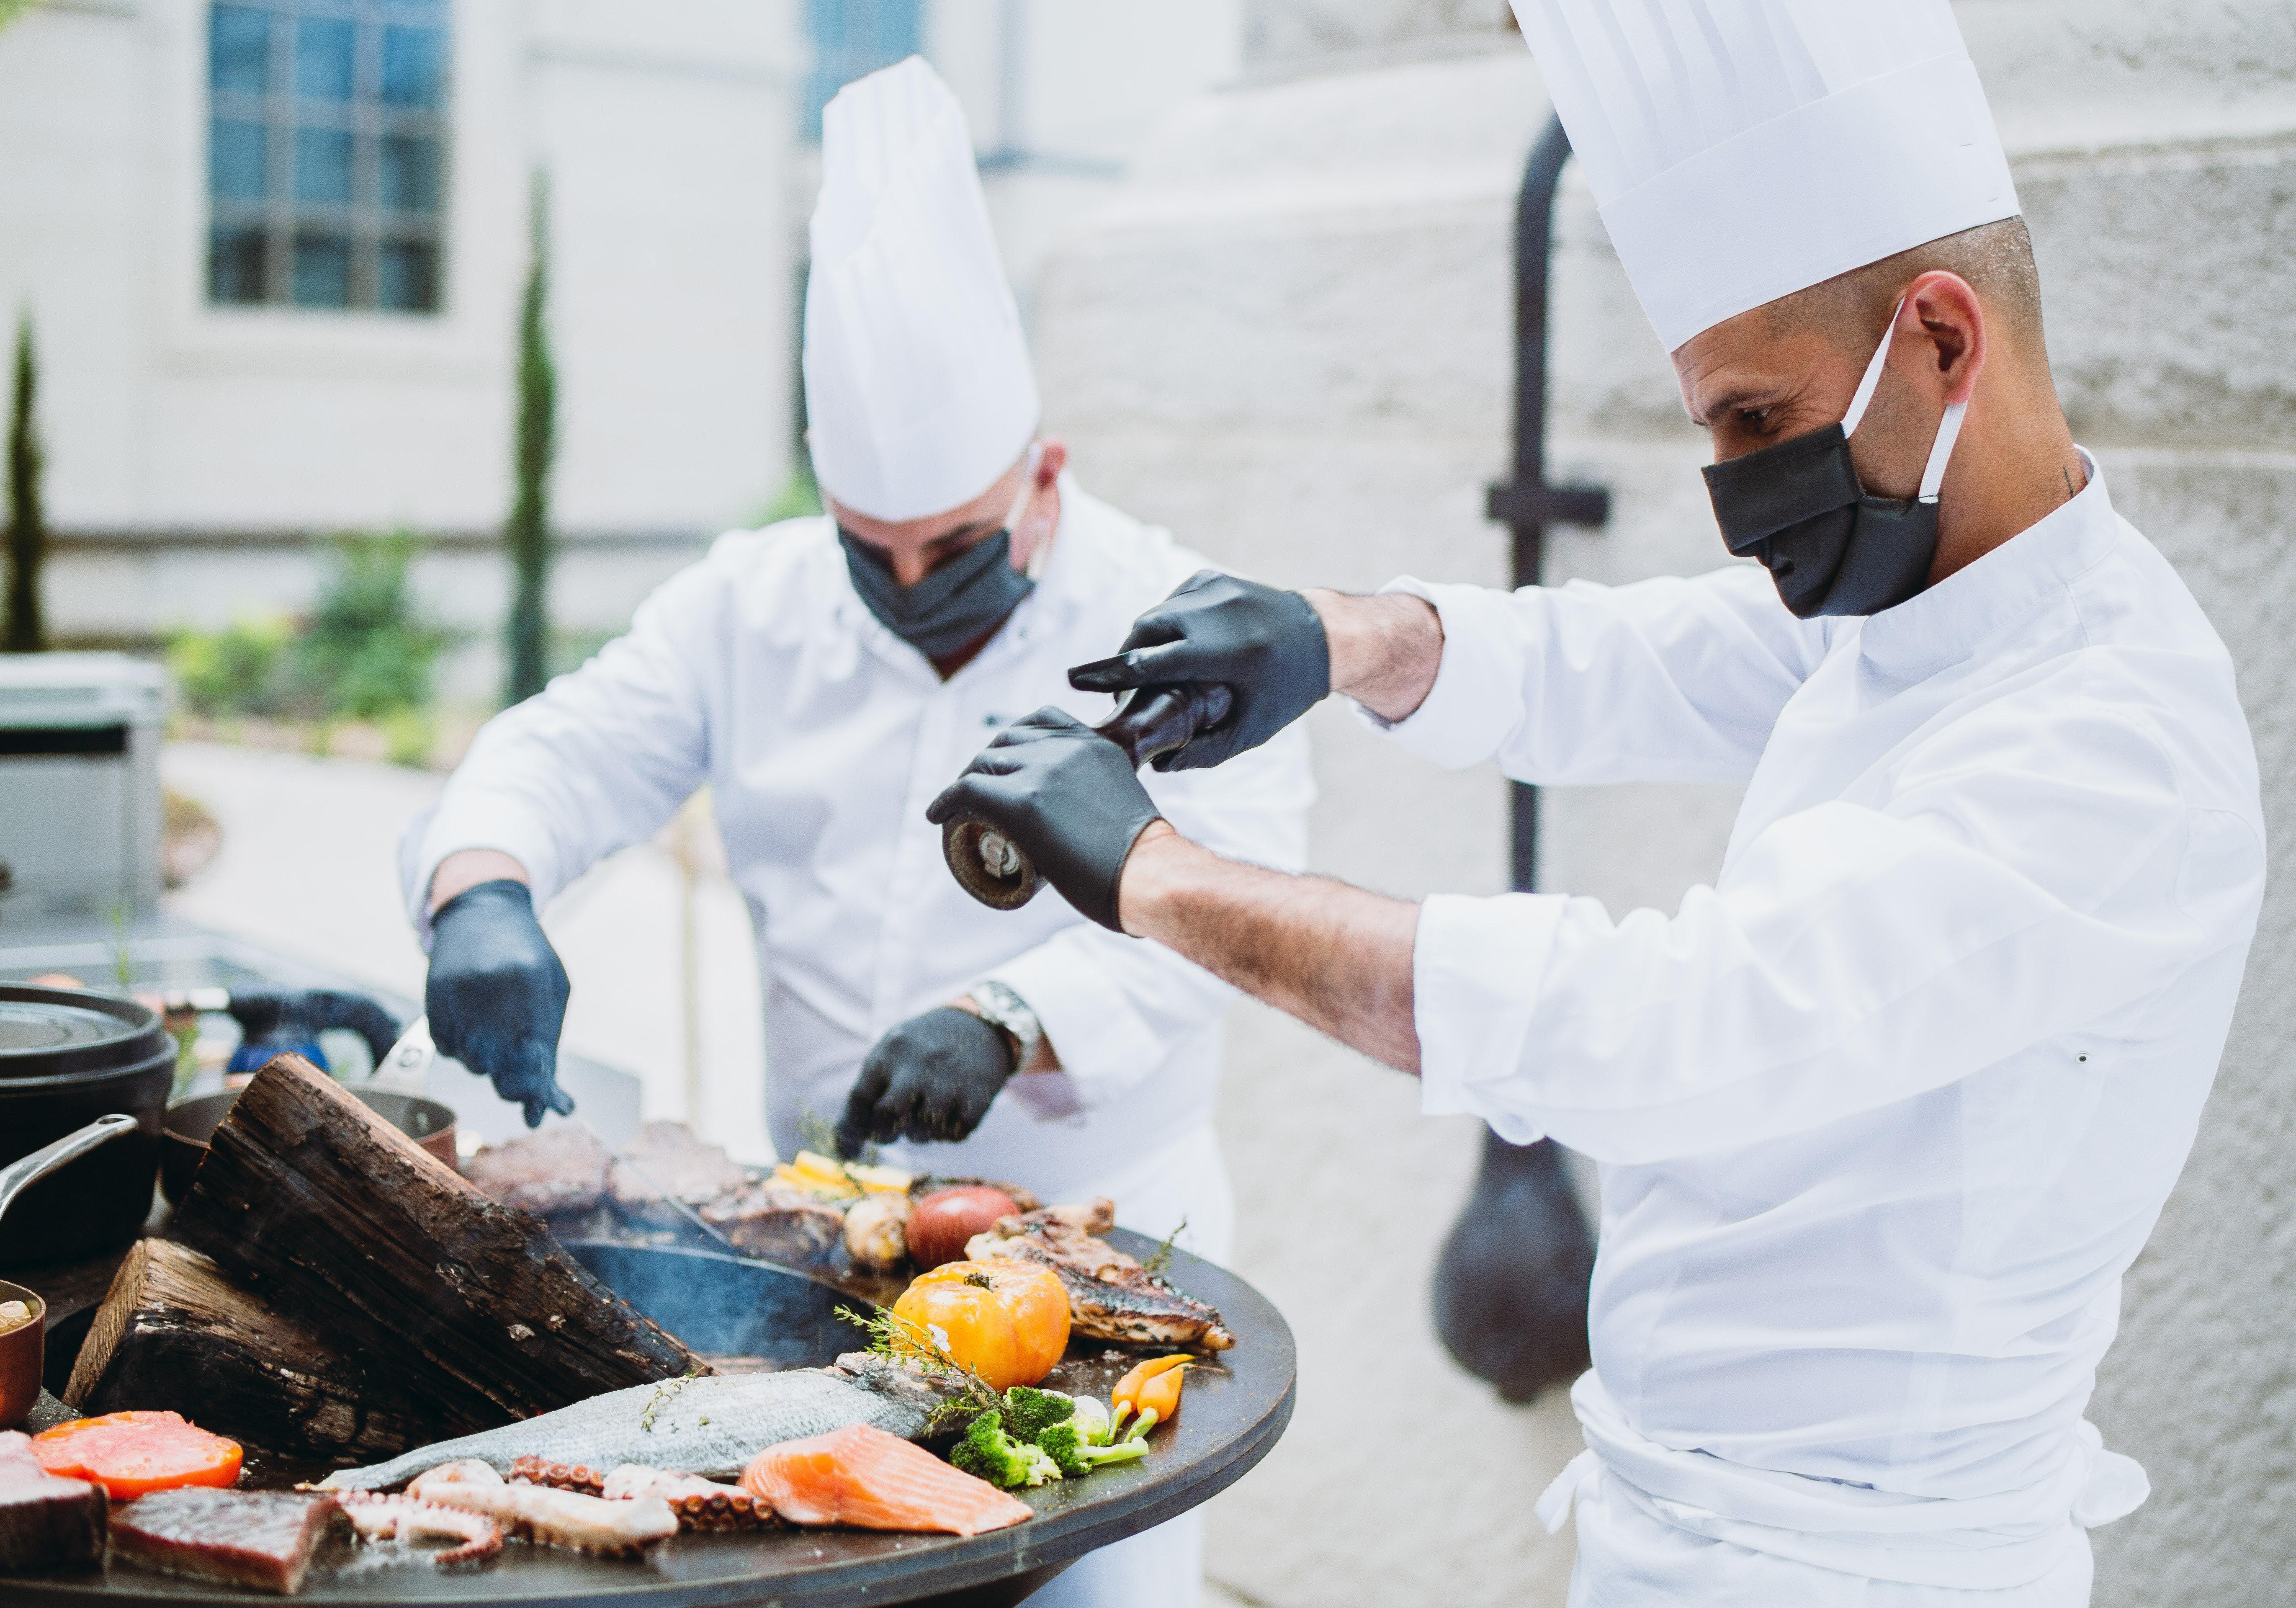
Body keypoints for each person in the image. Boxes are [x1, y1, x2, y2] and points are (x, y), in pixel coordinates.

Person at [927, 5, 2265, 1604]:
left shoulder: (2110, 743)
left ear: (1943, 341)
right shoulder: (1927, 602)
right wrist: (1343, 637)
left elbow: (1666, 1031)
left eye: (1757, 421)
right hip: (1676, 1521)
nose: (1734, 498)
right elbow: (1654, 652)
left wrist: (1154, 877)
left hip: (1859, 1568)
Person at [399, 56, 1308, 1608]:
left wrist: (1010, 1015)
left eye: (952, 544)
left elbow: (1239, 912)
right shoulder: (749, 603)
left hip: (1106, 1259)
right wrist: (484, 886)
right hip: (819, 1252)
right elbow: (565, 749)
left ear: (1046, 474)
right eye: (868, 546)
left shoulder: (1179, 625)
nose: (907, 582)